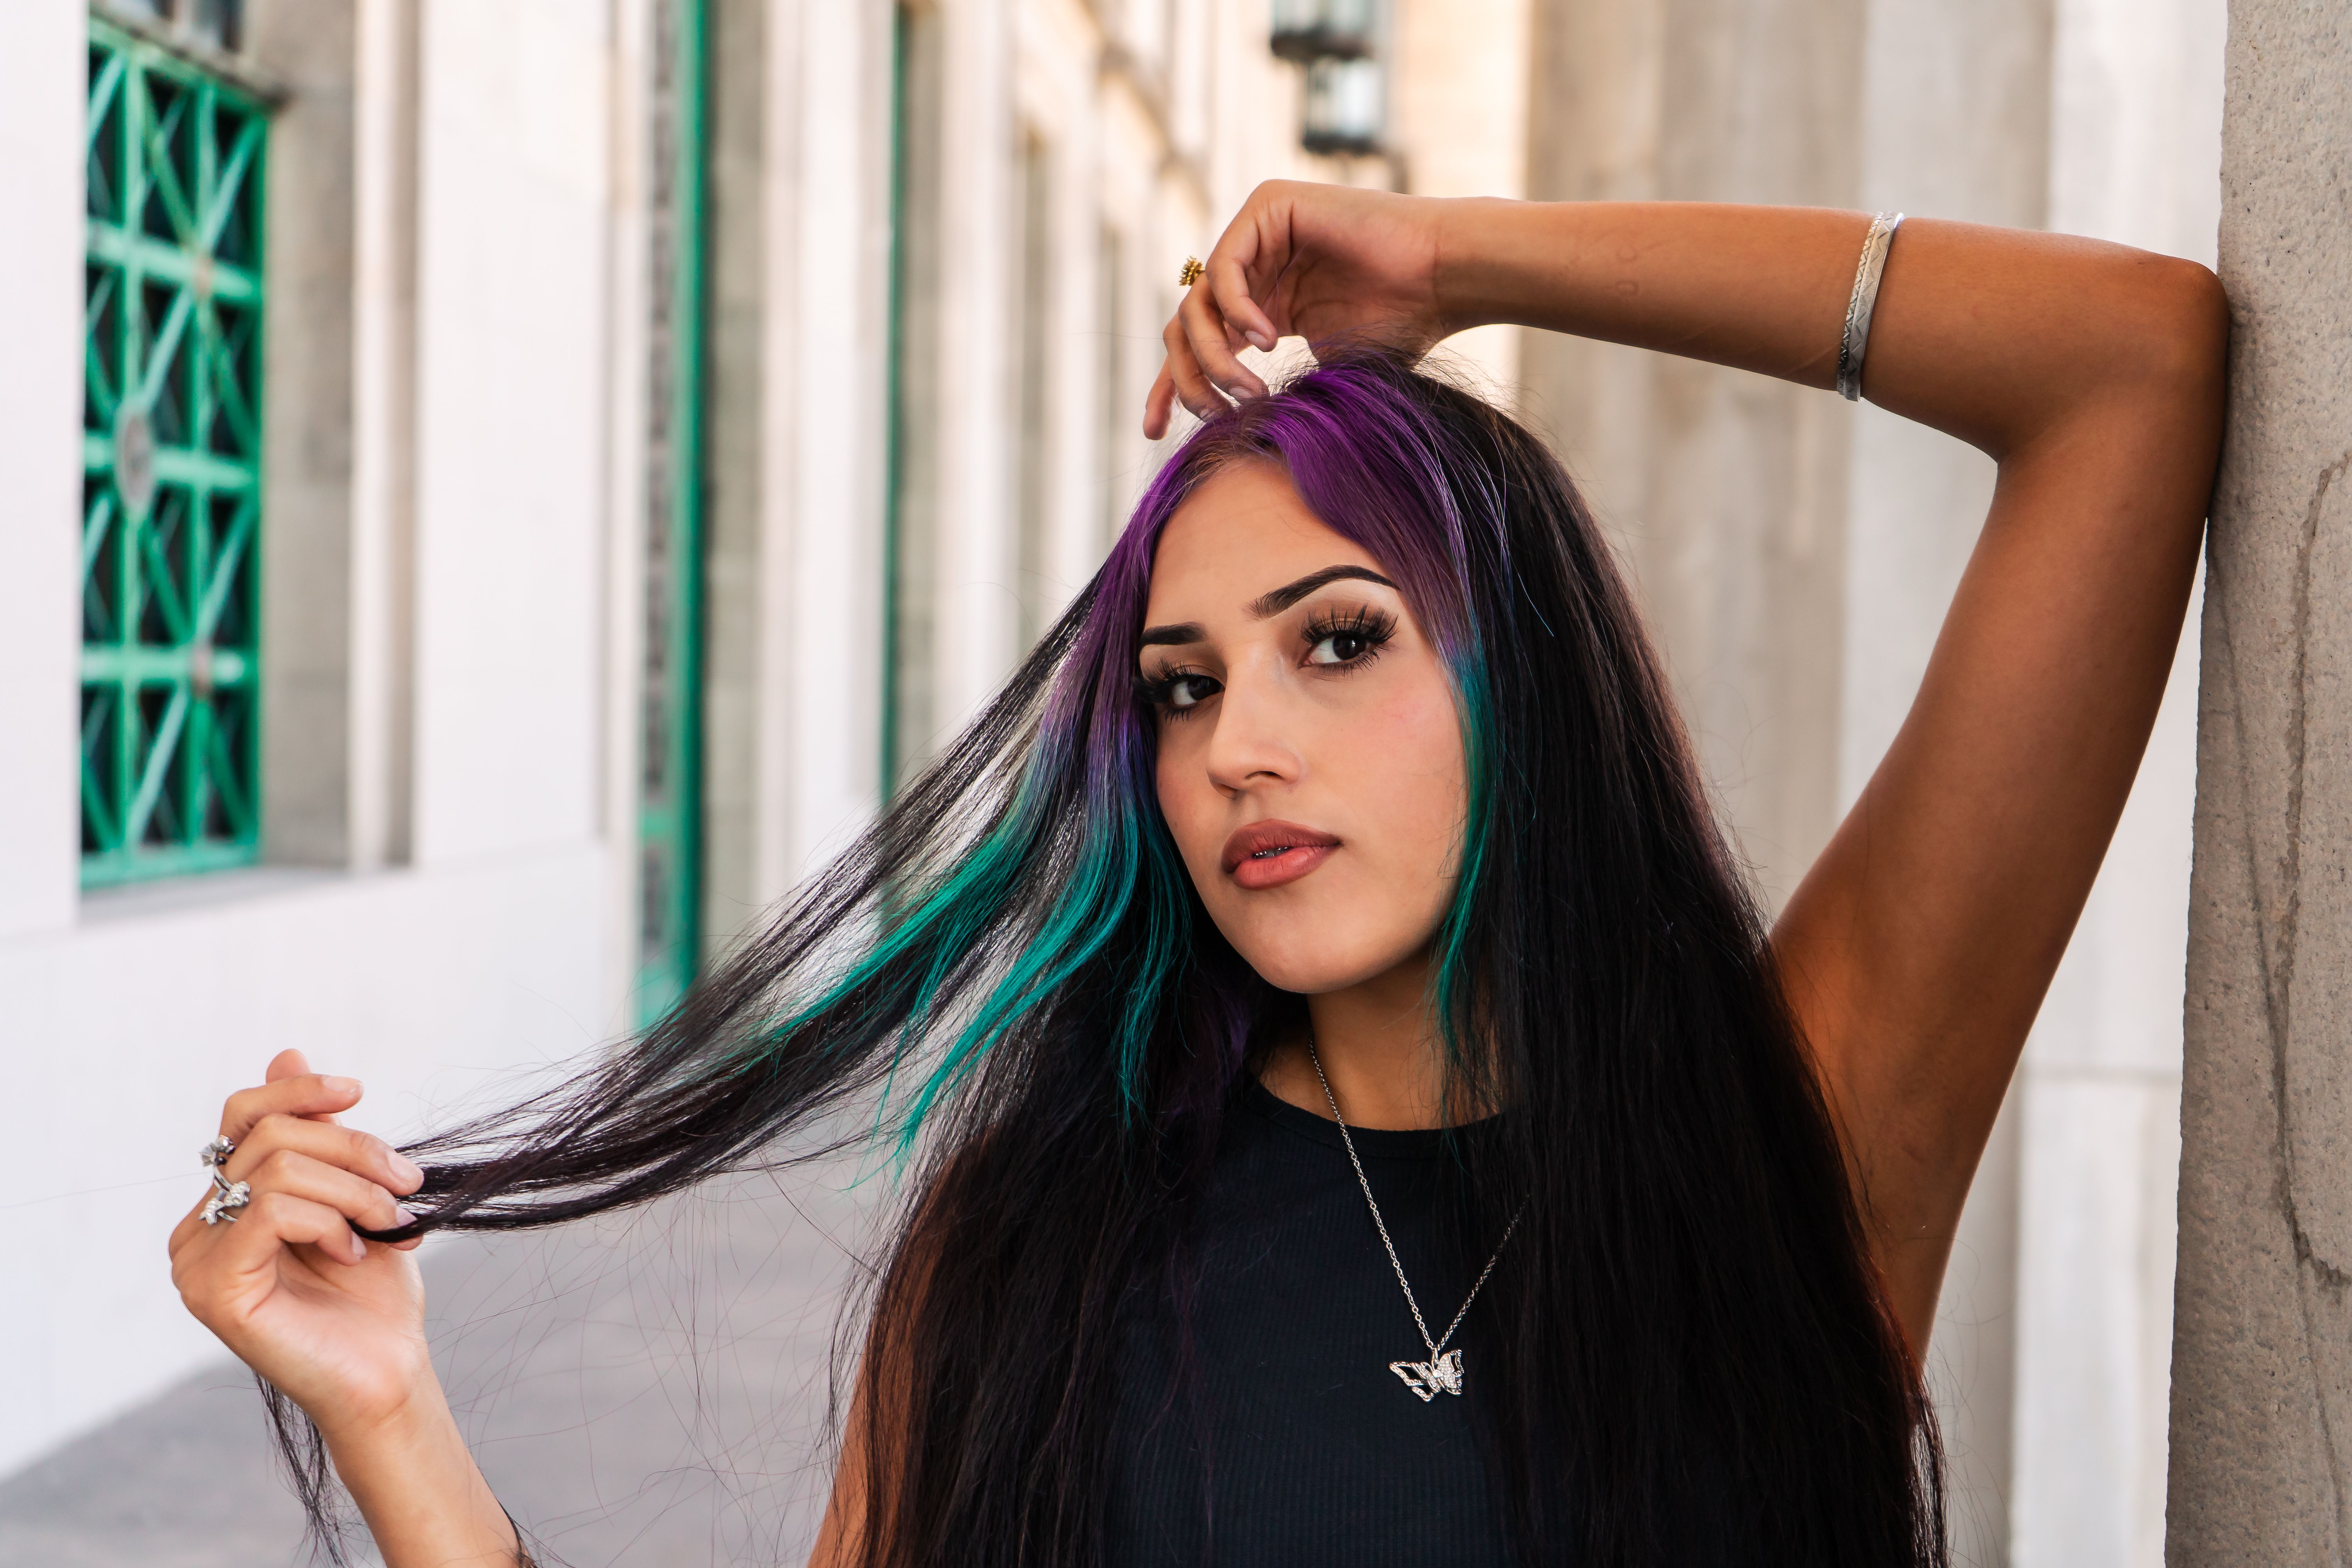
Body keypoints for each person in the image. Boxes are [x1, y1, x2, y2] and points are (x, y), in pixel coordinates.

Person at [169, 183, 2225, 1568]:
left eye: (1340, 641)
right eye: (1177, 686)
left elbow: (2129, 372)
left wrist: (1466, 263)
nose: (1235, 741)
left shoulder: (1803, 1124)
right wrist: (397, 1427)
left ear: (1534, 678)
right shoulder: (1048, 1247)